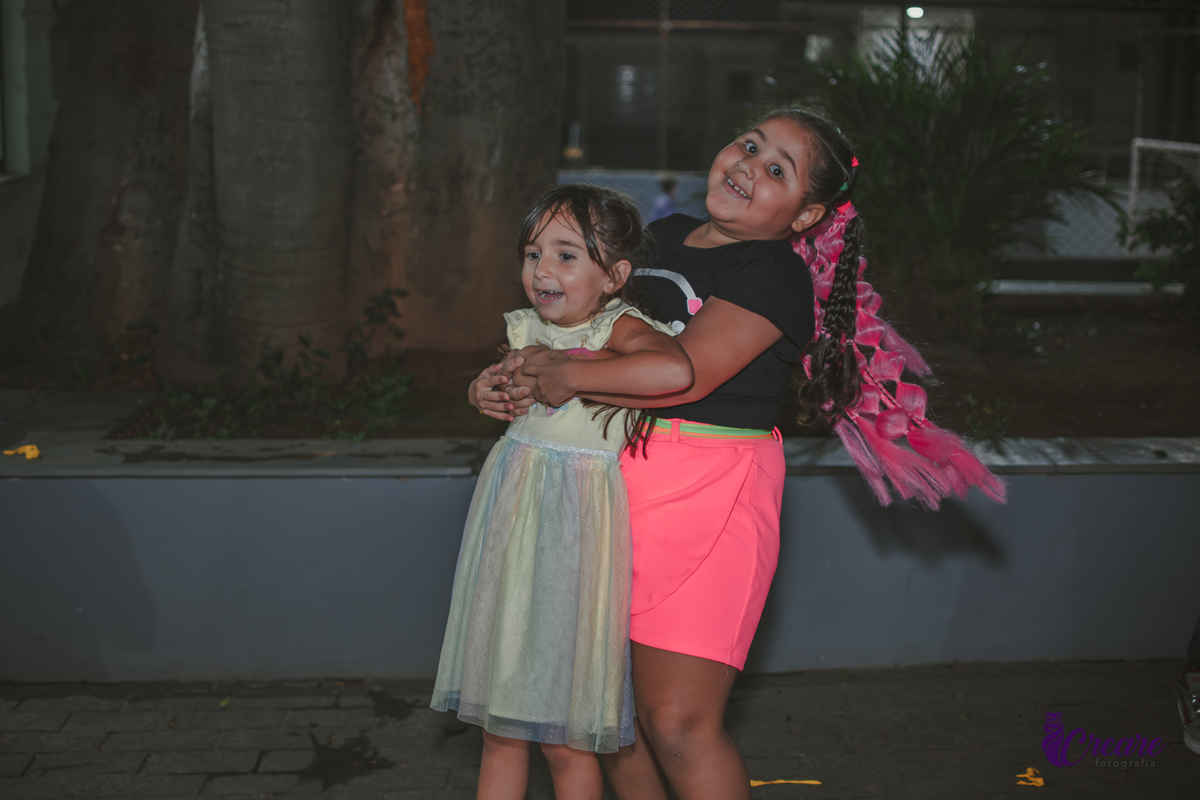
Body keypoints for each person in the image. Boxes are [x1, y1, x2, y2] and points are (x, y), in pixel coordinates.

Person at [473, 106, 1001, 800]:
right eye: (750, 145)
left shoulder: (771, 271)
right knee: (612, 719)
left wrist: (566, 374)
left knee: (679, 724)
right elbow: (576, 324)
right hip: (608, 488)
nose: (749, 165)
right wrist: (509, 379)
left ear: (806, 215)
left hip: (708, 499)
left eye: (777, 168)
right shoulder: (659, 238)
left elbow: (686, 374)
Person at [431, 184, 693, 800]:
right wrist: (480, 390)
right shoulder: (528, 328)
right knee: (500, 728)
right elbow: (507, 388)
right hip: (511, 532)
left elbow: (674, 369)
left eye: (566, 254)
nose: (542, 269)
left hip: (574, 539)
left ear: (615, 276)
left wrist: (577, 369)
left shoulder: (618, 327)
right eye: (532, 253)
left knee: (563, 738)